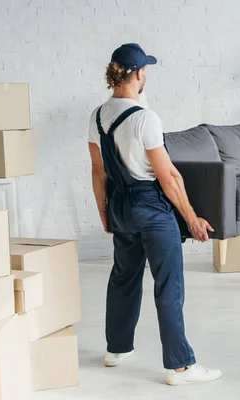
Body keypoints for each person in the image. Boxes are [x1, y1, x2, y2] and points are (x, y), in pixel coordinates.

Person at [87, 43, 221, 386]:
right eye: (145, 69)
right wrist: (191, 218)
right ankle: (180, 367)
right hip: (150, 206)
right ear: (138, 74)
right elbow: (169, 177)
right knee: (168, 283)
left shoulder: (97, 116)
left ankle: (116, 350)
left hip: (120, 204)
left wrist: (105, 212)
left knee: (123, 276)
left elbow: (98, 171)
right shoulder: (145, 118)